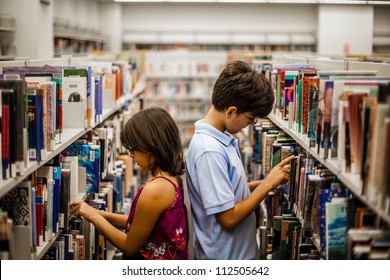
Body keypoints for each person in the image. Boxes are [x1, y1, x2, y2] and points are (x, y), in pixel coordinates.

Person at [185, 60, 293, 260]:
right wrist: (268, 183)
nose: (250, 125)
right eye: (251, 119)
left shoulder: (221, 139)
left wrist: (268, 181)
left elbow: (230, 191)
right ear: (231, 111)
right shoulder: (210, 151)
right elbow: (228, 218)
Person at [69, 107, 189, 260]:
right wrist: (94, 212)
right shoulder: (171, 177)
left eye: (134, 148)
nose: (130, 155)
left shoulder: (156, 189)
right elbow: (140, 223)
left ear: (151, 146)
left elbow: (129, 246)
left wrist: (93, 216)